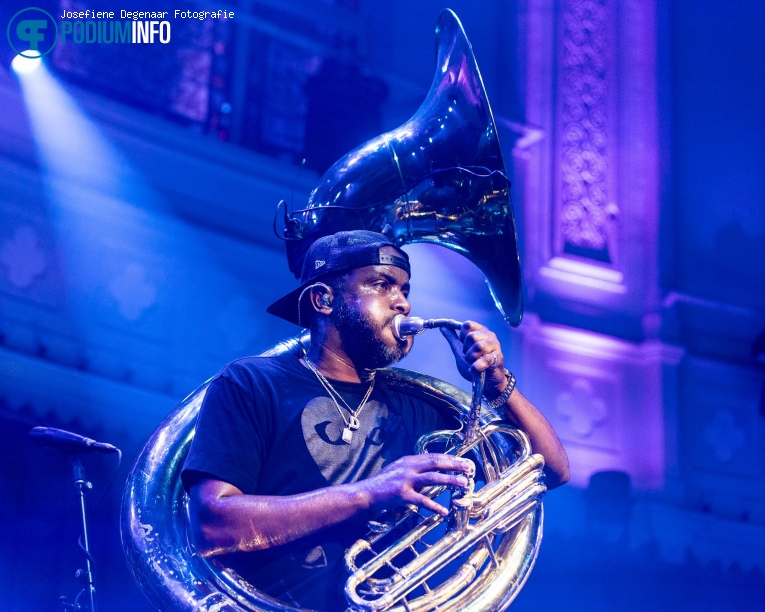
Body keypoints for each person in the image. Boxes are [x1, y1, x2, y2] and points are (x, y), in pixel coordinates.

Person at [182, 230, 569, 610]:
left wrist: (498, 382)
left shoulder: (418, 405)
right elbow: (213, 526)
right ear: (323, 300)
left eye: (405, 290)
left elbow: (549, 470)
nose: (402, 303)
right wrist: (369, 493)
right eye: (382, 285)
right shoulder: (253, 383)